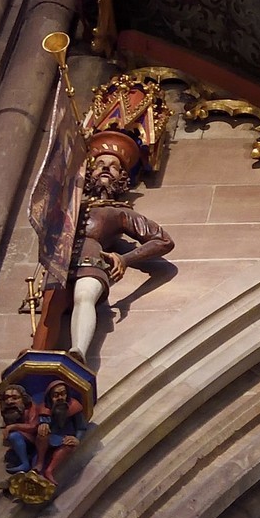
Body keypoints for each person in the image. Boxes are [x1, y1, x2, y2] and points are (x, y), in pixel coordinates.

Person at [49, 139, 175, 359]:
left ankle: (78, 349)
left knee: (84, 296)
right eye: (100, 164)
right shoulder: (73, 206)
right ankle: (38, 351)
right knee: (48, 310)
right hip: (59, 259)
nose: (106, 168)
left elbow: (163, 240)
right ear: (90, 173)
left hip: (91, 258)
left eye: (114, 166)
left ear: (122, 178)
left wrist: (125, 259)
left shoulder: (118, 212)